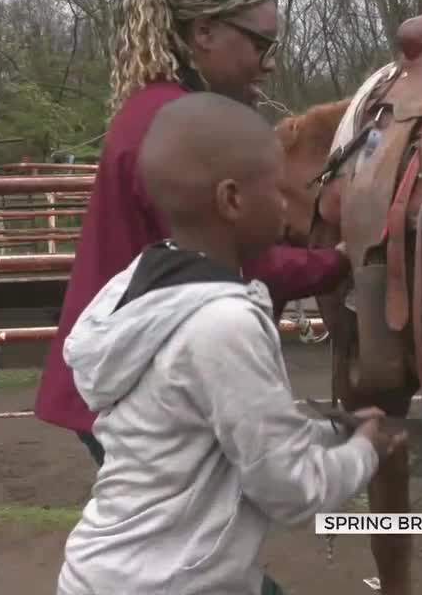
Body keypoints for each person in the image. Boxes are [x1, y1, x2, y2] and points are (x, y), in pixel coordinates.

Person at [55, 93, 403, 595]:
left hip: (107, 574)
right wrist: (366, 451)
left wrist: (329, 433)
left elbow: (217, 430)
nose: (286, 208)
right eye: (278, 192)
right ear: (232, 200)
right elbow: (289, 491)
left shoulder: (139, 286)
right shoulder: (223, 323)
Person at [33, 0, 349, 466]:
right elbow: (237, 263)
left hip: (126, 375)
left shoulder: (160, 110)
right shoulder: (181, 127)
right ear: (204, 32)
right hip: (141, 392)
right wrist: (338, 262)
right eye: (259, 44)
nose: (268, 64)